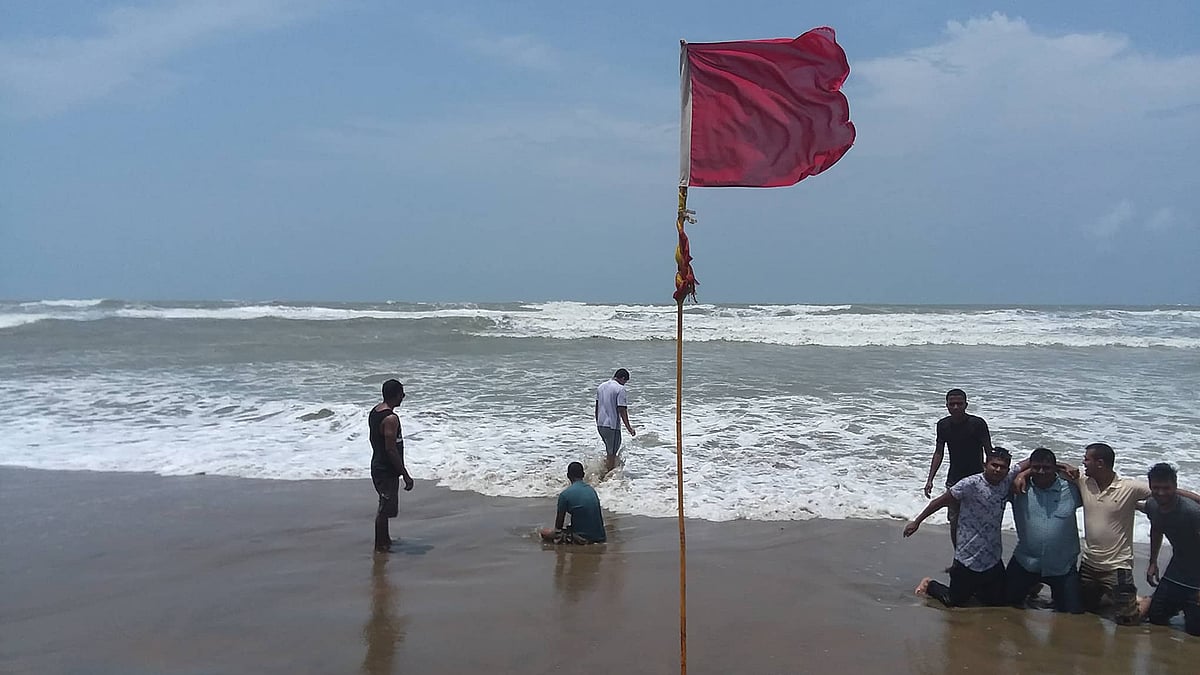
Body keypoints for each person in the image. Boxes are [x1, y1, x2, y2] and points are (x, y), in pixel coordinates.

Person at [1034, 443, 1200, 623]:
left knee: (1128, 621)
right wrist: (1024, 474)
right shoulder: (1082, 480)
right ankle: (1111, 596)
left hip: (1117, 567)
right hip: (1089, 564)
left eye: (1086, 459)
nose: (1083, 463)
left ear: (1100, 463)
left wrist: (1198, 499)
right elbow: (1045, 468)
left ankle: (1143, 601)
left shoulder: (1130, 488)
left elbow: (1163, 491)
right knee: (1079, 609)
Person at [904, 447, 1016, 607]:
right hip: (966, 557)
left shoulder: (1006, 481)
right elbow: (939, 502)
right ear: (985, 465)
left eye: (1002, 467)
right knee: (953, 602)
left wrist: (1061, 466)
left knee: (997, 602)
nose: (997, 469)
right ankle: (930, 585)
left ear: (1007, 470)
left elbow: (1029, 463)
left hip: (992, 557)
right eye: (994, 465)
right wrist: (917, 522)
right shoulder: (969, 484)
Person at [1006, 448, 1084, 613]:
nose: (1041, 472)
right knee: (1004, 605)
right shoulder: (1017, 488)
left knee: (1073, 613)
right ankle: (1032, 587)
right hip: (1026, 562)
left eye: (1047, 468)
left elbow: (1098, 489)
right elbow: (1002, 474)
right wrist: (1022, 475)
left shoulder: (1072, 489)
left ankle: (1035, 589)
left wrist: (1063, 465)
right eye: (1036, 467)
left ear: (1055, 469)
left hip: (1062, 566)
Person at [923, 389, 993, 562]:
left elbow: (988, 451)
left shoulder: (977, 424)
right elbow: (939, 452)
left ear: (966, 405)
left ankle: (979, 558)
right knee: (955, 523)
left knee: (978, 522)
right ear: (946, 406)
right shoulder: (943, 425)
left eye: (959, 404)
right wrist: (930, 479)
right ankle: (959, 558)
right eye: (951, 404)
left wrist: (992, 477)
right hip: (954, 480)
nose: (955, 407)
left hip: (978, 480)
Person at [1141, 463, 1200, 635]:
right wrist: (1153, 562)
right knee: (1156, 618)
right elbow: (1157, 529)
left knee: (1195, 631)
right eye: (1156, 487)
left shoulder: (1192, 512)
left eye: (1166, 488)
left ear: (1175, 486)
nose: (1161, 493)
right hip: (1177, 571)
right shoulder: (1152, 505)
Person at [369, 379, 415, 553]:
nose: (403, 396)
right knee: (385, 508)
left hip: (378, 465)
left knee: (385, 504)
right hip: (386, 469)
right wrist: (405, 473)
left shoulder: (375, 411)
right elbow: (391, 449)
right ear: (395, 395)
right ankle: (380, 546)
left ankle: (385, 540)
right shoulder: (390, 419)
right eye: (401, 393)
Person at [541, 462, 607, 544]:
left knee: (544, 532)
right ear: (583, 474)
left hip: (582, 539)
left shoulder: (564, 495)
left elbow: (558, 527)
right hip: (600, 537)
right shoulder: (591, 490)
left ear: (568, 476)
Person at [596, 368, 636, 473]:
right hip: (612, 426)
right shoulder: (620, 389)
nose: (625, 384)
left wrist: (597, 422)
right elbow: (622, 410)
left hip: (601, 424)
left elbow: (597, 407)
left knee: (609, 452)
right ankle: (607, 477)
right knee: (612, 454)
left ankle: (603, 472)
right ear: (622, 378)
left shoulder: (601, 387)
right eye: (625, 381)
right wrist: (629, 428)